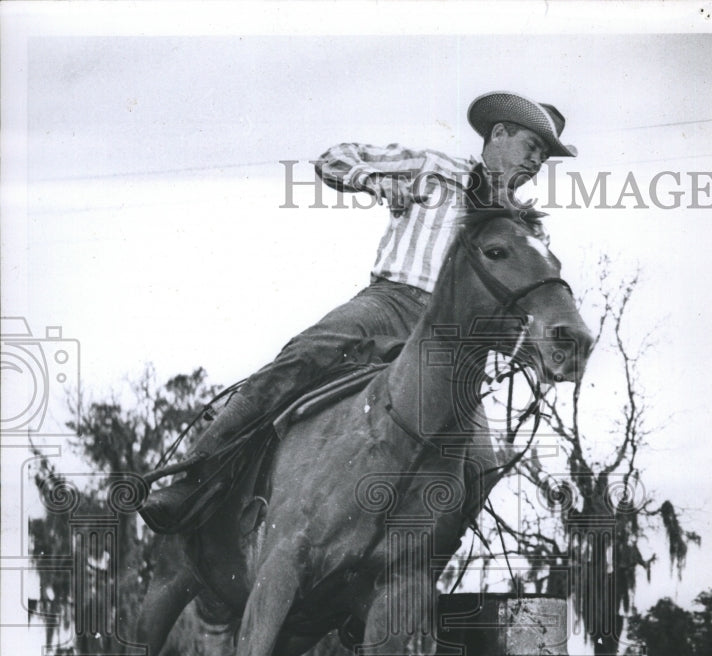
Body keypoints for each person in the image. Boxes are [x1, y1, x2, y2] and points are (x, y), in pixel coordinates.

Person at [140, 92, 577, 533]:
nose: (537, 162)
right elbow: (336, 158)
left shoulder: (524, 227)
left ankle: (415, 566)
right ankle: (193, 479)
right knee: (303, 355)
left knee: (482, 462)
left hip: (453, 345)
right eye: (532, 148)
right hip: (391, 304)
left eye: (543, 156)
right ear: (499, 133)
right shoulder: (433, 167)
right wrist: (375, 180)